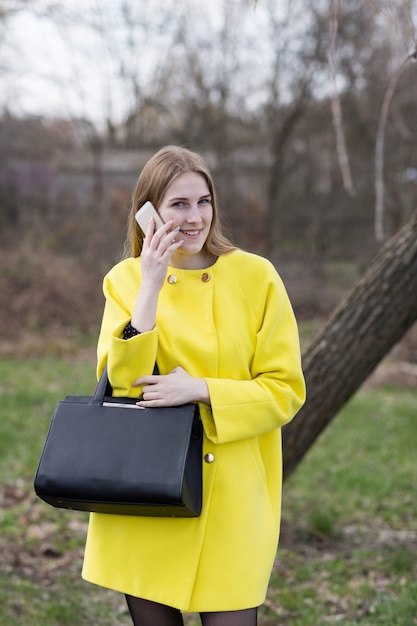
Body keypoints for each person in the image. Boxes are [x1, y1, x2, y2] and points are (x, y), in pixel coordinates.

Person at [82, 145, 306, 626]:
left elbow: (285, 390)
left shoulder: (256, 276)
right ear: (149, 213)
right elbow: (121, 384)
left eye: (203, 201)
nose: (195, 217)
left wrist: (203, 389)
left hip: (232, 497)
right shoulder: (125, 280)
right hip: (147, 496)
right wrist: (150, 287)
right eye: (178, 205)